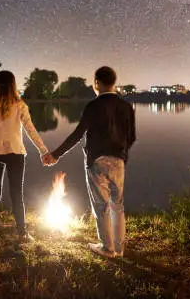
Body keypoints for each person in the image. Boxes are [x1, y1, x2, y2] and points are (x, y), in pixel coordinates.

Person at [42, 66, 136, 258]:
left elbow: (77, 134)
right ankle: (119, 248)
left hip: (97, 161)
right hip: (118, 161)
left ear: (97, 83)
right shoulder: (126, 107)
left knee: (101, 206)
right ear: (113, 82)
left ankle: (107, 248)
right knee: (117, 205)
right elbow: (131, 137)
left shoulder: (93, 106)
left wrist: (56, 154)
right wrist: (122, 153)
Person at [0, 70, 49, 243]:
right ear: (13, 85)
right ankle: (22, 233)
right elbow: (30, 130)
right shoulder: (20, 105)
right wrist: (43, 150)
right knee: (17, 194)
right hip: (16, 154)